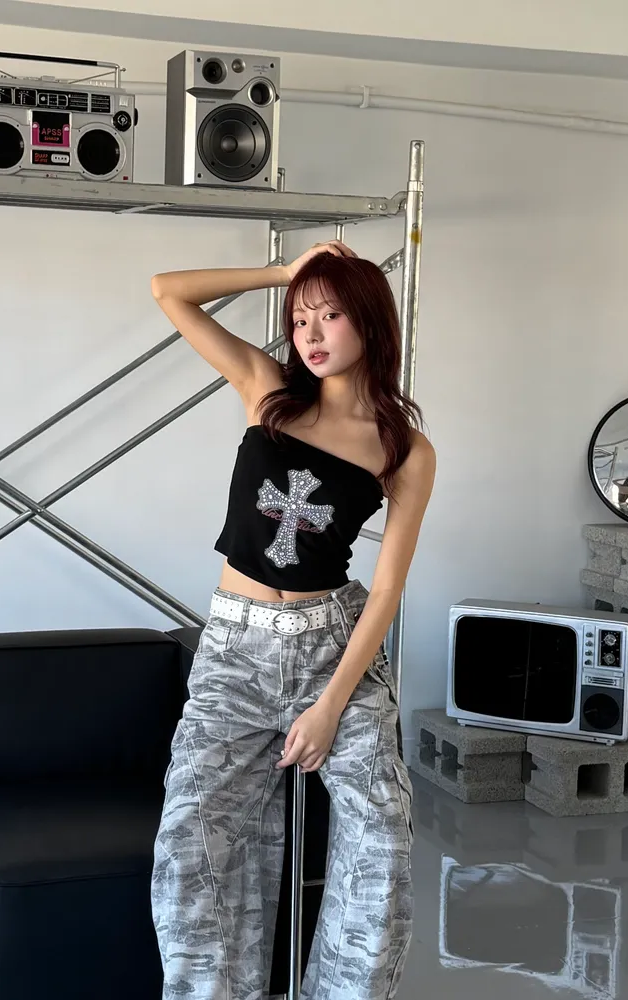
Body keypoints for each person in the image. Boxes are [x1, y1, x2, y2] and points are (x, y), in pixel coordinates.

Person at [149, 239, 436, 1000]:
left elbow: (386, 589)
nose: (310, 333)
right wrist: (287, 271)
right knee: (191, 840)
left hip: (333, 649)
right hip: (235, 649)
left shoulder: (403, 449)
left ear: (369, 321)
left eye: (329, 315)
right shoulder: (267, 392)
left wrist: (330, 707)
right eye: (299, 318)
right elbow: (168, 289)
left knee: (381, 837)